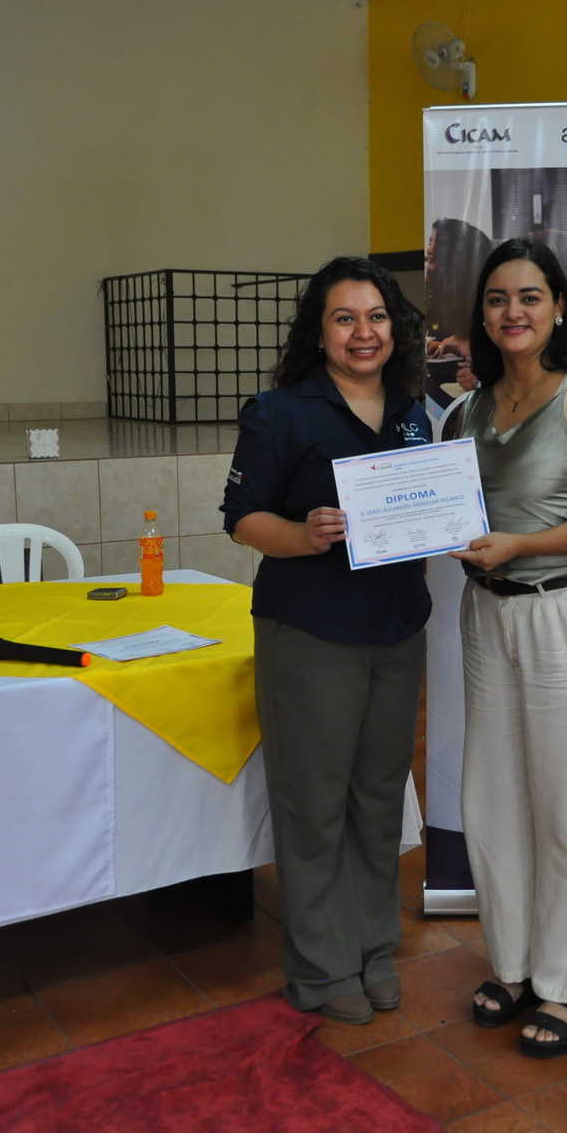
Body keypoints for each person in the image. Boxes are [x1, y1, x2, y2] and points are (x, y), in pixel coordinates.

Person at [221, 256, 431, 1025]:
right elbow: (242, 518)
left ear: (393, 327)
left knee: (378, 798)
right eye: (344, 318)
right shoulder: (279, 412)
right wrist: (303, 534)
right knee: (313, 804)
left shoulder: (413, 411)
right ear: (319, 332)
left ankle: (373, 948)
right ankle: (320, 965)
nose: (362, 332)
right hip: (310, 631)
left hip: (397, 627)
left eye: (376, 316)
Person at [447, 238, 567, 1058]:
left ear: (559, 306)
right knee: (494, 802)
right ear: (482, 313)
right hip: (490, 614)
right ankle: (519, 963)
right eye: (497, 298)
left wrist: (521, 546)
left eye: (530, 296)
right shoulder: (469, 408)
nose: (513, 311)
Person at [424, 217, 494, 392]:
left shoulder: (481, 293)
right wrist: (453, 342)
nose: (429, 250)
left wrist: (480, 378)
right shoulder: (444, 287)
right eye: (430, 242)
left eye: (437, 243)